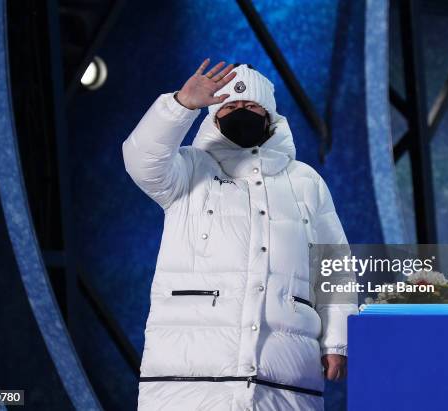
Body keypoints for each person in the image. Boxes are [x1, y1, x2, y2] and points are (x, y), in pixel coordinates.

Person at [122, 58, 358, 411]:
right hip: (188, 381)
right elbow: (142, 160)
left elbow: (334, 262)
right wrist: (180, 105)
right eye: (230, 105)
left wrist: (337, 342)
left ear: (270, 116)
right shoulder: (188, 169)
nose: (240, 111)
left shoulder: (306, 181)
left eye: (251, 105)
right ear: (214, 115)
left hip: (284, 381)